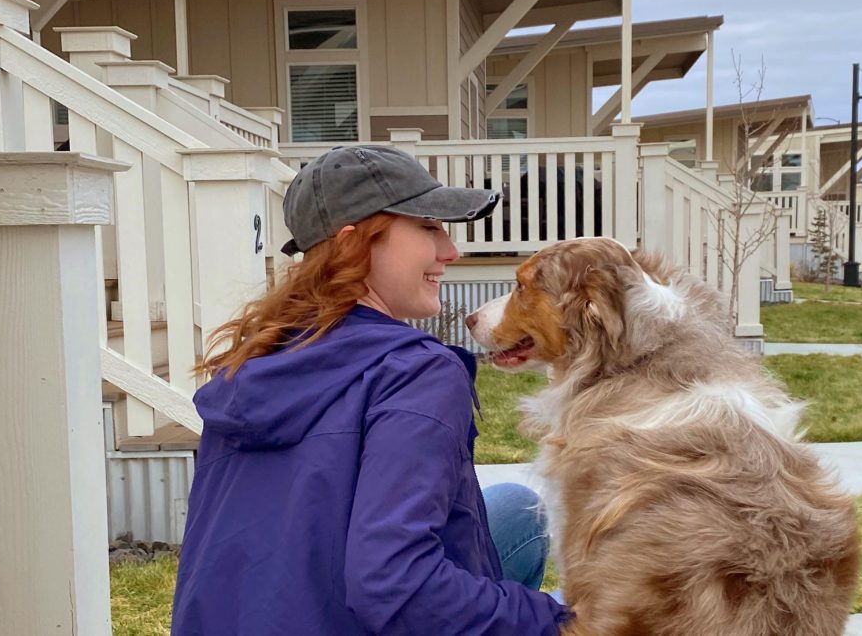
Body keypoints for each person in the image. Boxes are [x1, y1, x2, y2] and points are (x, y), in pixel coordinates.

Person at [171, 146, 571, 634]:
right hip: (365, 611)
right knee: (586, 609)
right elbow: (394, 584)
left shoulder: (256, 358)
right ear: (351, 245)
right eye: (429, 227)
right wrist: (561, 621)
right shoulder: (415, 371)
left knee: (515, 510)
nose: (450, 251)